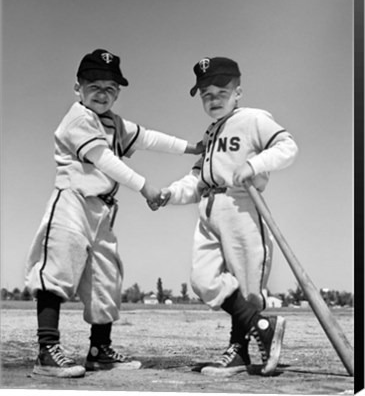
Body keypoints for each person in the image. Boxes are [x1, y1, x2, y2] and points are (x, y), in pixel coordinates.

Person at [25, 48, 203, 378]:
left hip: (102, 211)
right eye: (94, 85)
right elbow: (104, 159)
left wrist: (192, 147)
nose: (102, 93)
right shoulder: (78, 118)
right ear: (77, 87)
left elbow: (149, 137)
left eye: (110, 87)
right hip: (73, 203)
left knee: (105, 277)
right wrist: (145, 186)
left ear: (118, 92)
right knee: (56, 271)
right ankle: (46, 350)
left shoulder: (113, 122)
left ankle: (99, 350)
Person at [151, 56, 298, 377]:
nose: (213, 99)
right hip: (209, 207)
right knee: (203, 279)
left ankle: (239, 351)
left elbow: (287, 147)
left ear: (238, 91)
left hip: (242, 205)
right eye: (206, 94)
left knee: (247, 286)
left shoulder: (253, 119)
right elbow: (196, 179)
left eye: (221, 91)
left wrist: (254, 165)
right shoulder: (211, 131)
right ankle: (262, 326)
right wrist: (170, 193)